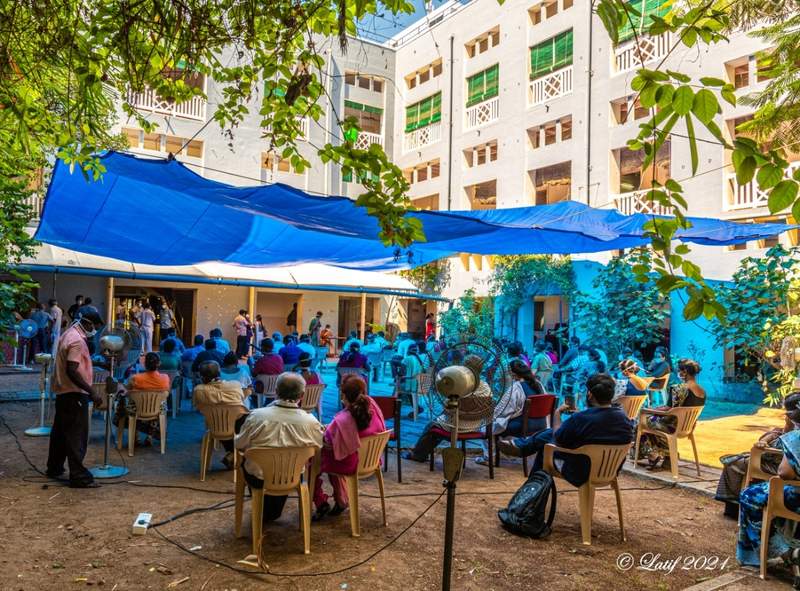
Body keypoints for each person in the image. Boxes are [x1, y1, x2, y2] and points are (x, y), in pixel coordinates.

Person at [498, 374, 635, 487]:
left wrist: (557, 413)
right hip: (609, 471)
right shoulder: (624, 418)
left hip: (580, 472)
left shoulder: (582, 418)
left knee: (547, 445)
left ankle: (530, 493)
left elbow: (558, 437)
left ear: (590, 394)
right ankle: (523, 447)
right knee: (548, 436)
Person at [235, 373, 324, 522]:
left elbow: (239, 444)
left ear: (275, 391)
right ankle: (270, 512)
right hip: (292, 477)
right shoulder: (311, 422)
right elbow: (318, 447)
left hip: (259, 477)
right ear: (302, 395)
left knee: (249, 463)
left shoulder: (256, 416)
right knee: (273, 510)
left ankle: (265, 511)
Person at [716, 392, 800, 519]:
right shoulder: (791, 430)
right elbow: (774, 434)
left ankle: (734, 508)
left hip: (776, 463)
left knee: (735, 463)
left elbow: (785, 471)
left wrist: (786, 430)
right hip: (771, 459)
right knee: (738, 460)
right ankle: (733, 506)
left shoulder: (795, 436)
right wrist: (767, 440)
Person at [313, 375, 385, 519]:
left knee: (313, 460)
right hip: (372, 460)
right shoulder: (373, 406)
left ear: (344, 395)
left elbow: (327, 441)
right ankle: (341, 498)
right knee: (333, 454)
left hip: (352, 463)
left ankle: (321, 501)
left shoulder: (343, 419)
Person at [47, 310, 105, 488]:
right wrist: (91, 391)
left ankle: (54, 467)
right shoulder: (78, 341)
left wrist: (96, 363)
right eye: (94, 327)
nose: (94, 330)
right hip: (75, 393)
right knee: (76, 436)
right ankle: (79, 476)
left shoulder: (69, 333)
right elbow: (72, 369)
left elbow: (73, 362)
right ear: (88, 323)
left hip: (63, 393)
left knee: (60, 433)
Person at [403, 355, 492, 463]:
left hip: (457, 425)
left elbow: (448, 410)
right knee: (438, 425)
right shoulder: (486, 387)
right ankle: (421, 452)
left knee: (432, 426)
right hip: (477, 425)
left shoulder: (461, 385)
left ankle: (418, 454)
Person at [737, 427, 800, 573]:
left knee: (749, 496)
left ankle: (785, 554)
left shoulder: (796, 437)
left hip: (796, 498)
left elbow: (784, 473)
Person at [636, 358, 705, 470]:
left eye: (679, 370)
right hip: (688, 427)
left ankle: (654, 455)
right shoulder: (702, 391)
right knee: (650, 420)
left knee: (643, 421)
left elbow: (668, 409)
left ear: (685, 372)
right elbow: (674, 408)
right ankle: (666, 458)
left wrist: (650, 410)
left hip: (672, 426)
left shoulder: (679, 388)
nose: (678, 372)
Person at [476, 360, 545, 465]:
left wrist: (490, 413)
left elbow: (504, 411)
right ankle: (505, 453)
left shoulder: (516, 388)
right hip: (541, 424)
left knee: (488, 425)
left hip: (523, 426)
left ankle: (489, 458)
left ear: (513, 374)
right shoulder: (539, 385)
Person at [193, 360, 248, 468]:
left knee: (221, 422)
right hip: (238, 425)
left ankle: (232, 454)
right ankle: (235, 455)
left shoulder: (198, 390)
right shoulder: (235, 385)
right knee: (240, 419)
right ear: (219, 373)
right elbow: (241, 398)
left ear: (202, 376)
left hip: (216, 426)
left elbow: (198, 406)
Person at [398, 343, 426, 417]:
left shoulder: (406, 359)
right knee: (404, 387)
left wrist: (398, 377)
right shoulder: (420, 359)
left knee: (398, 387)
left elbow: (401, 373)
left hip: (411, 384)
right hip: (420, 384)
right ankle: (417, 407)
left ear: (408, 351)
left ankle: (395, 408)